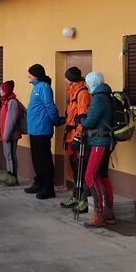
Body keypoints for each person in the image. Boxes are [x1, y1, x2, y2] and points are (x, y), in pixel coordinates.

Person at [80, 71, 116, 227]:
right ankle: (108, 211)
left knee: (90, 176)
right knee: (102, 176)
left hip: (99, 142)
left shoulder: (98, 98)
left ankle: (99, 213)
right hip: (106, 141)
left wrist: (81, 118)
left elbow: (90, 122)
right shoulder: (106, 95)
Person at [24, 63, 62, 200]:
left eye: (30, 74)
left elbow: (50, 106)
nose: (29, 76)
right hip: (35, 129)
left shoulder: (44, 87)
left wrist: (55, 120)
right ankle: (39, 182)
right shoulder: (37, 87)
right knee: (37, 159)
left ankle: (48, 187)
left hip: (42, 129)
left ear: (36, 75)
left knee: (44, 160)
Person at [61, 67, 91, 214]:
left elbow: (82, 117)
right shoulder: (73, 91)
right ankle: (76, 195)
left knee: (82, 169)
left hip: (78, 137)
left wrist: (78, 136)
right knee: (75, 168)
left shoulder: (82, 93)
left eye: (66, 77)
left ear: (70, 78)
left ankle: (84, 199)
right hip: (71, 135)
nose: (65, 80)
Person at [0, 80, 21, 187]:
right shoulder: (5, 101)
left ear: (6, 90)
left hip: (10, 135)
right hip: (6, 135)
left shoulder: (12, 102)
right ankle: (9, 174)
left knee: (11, 155)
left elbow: (11, 121)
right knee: (7, 155)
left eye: (1, 89)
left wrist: (6, 136)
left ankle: (13, 177)